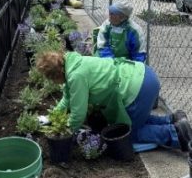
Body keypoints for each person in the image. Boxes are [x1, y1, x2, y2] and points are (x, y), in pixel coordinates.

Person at [36, 50, 192, 152]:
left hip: (138, 87)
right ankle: (173, 119)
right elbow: (67, 98)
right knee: (135, 119)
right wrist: (51, 117)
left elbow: (78, 114)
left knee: (128, 133)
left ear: (56, 75)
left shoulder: (76, 76)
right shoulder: (73, 63)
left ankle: (177, 134)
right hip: (143, 73)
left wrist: (64, 134)